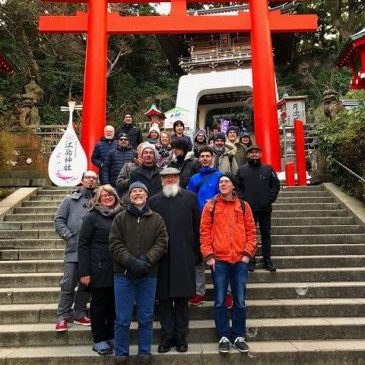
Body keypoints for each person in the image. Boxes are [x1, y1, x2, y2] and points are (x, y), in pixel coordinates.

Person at [109, 182, 168, 365]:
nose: (137, 194)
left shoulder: (157, 218)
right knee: (122, 318)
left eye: (140, 191)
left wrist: (146, 260)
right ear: (129, 195)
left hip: (148, 275)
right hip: (123, 275)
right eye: (134, 191)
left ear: (147, 195)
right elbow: (114, 244)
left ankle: (144, 352)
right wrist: (131, 262)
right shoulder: (119, 218)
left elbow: (162, 243)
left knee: (145, 317)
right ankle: (121, 353)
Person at [200, 173, 256, 353]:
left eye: (226, 181)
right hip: (220, 260)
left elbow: (251, 231)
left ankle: (239, 335)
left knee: (239, 300)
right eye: (221, 182)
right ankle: (223, 335)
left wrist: (248, 253)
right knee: (219, 300)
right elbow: (205, 233)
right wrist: (209, 255)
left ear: (233, 186)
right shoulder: (211, 206)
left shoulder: (243, 206)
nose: (223, 184)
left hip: (240, 259)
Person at [149, 167, 200, 354]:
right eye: (166, 177)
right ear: (161, 180)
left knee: (181, 299)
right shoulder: (153, 201)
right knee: (163, 300)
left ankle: (181, 336)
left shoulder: (190, 198)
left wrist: (197, 254)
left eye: (173, 176)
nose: (169, 179)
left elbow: (197, 227)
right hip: (160, 257)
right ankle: (166, 336)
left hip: (184, 255)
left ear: (178, 178)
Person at [78, 185, 123, 355]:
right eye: (103, 195)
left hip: (118, 266)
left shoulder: (121, 214)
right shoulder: (92, 217)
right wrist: (84, 272)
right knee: (99, 305)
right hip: (98, 267)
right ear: (98, 198)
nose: (107, 197)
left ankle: (111, 335)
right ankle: (98, 339)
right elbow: (83, 245)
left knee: (113, 304)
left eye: (110, 194)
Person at [54, 170, 98, 331]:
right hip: (73, 250)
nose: (91, 181)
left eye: (94, 178)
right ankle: (62, 316)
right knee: (68, 283)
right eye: (88, 178)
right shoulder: (69, 200)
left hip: (92, 251)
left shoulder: (98, 200)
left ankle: (79, 312)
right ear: (81, 180)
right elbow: (59, 220)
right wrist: (69, 236)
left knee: (86, 285)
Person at [187, 146, 223, 306]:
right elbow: (188, 198)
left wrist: (216, 199)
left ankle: (223, 292)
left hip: (217, 222)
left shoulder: (220, 176)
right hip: (198, 222)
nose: (205, 159)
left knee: (219, 259)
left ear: (212, 158)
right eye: (202, 156)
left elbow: (227, 194)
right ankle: (198, 291)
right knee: (198, 260)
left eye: (208, 156)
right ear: (199, 159)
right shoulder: (194, 178)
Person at [236, 145, 280, 272]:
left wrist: (270, 198)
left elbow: (275, 185)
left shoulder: (267, 168)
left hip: (265, 208)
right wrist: (243, 200)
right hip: (248, 209)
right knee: (250, 235)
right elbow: (237, 187)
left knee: (266, 234)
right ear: (248, 155)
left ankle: (267, 259)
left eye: (257, 152)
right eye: (251, 153)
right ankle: (251, 259)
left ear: (261, 154)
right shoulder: (242, 170)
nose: (254, 155)